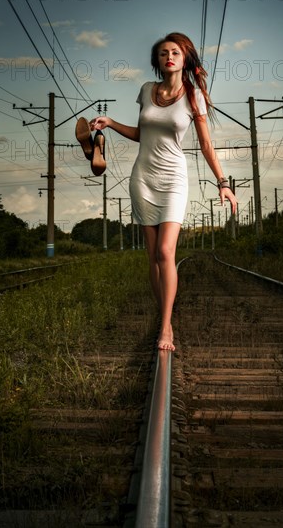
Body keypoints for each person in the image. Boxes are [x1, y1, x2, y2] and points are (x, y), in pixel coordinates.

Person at [84, 32, 237, 352]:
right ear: (157, 61)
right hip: (143, 178)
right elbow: (144, 133)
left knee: (167, 252)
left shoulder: (193, 97)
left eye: (175, 52)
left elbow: (206, 145)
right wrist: (110, 123)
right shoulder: (146, 90)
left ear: (185, 59)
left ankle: (166, 326)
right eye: (163, 53)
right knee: (152, 257)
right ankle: (164, 313)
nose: (169, 56)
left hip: (173, 179)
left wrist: (224, 183)